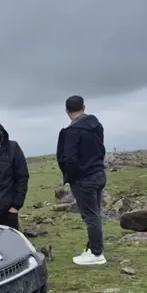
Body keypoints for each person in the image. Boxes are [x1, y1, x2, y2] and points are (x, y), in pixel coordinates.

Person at [57, 95, 107, 266]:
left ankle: (96, 253)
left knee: (91, 216)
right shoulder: (96, 125)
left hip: (84, 179)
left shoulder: (72, 131)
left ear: (67, 111)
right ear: (84, 107)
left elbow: (69, 158)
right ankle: (93, 248)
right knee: (95, 213)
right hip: (99, 173)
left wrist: (72, 176)